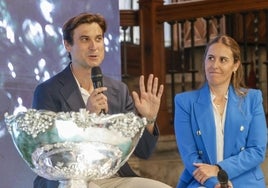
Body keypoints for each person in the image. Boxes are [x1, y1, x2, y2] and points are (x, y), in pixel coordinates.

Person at [32, 12, 172, 188]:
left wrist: (149, 120)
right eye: (85, 39)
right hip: (70, 179)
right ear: (67, 45)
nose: (94, 46)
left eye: (98, 39)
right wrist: (86, 117)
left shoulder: (118, 90)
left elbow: (143, 151)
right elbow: (48, 154)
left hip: (113, 176)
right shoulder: (48, 91)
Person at [174, 35, 267, 188]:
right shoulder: (184, 102)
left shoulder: (253, 99)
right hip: (203, 182)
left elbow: (257, 151)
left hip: (246, 181)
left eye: (223, 60)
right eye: (210, 58)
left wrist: (219, 171)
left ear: (235, 65)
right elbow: (190, 156)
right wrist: (216, 183)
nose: (214, 65)